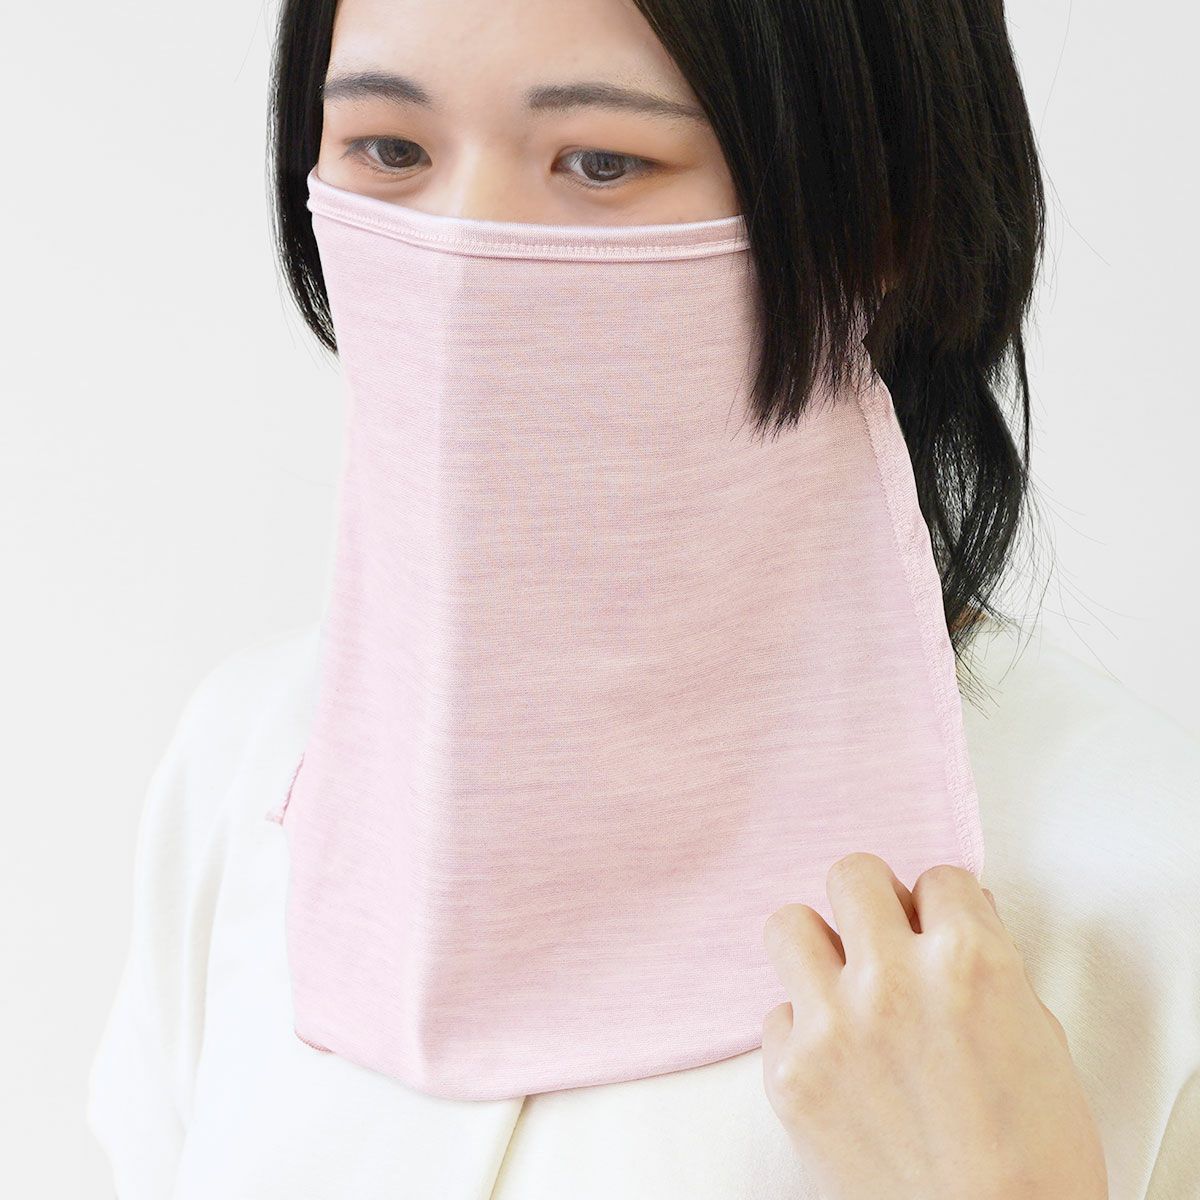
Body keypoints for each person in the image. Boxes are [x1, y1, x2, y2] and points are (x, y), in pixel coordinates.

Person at [86, 1, 1200, 1197]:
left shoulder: (1144, 871)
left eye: (603, 162)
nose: (461, 257)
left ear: (877, 210)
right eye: (392, 150)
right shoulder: (247, 766)